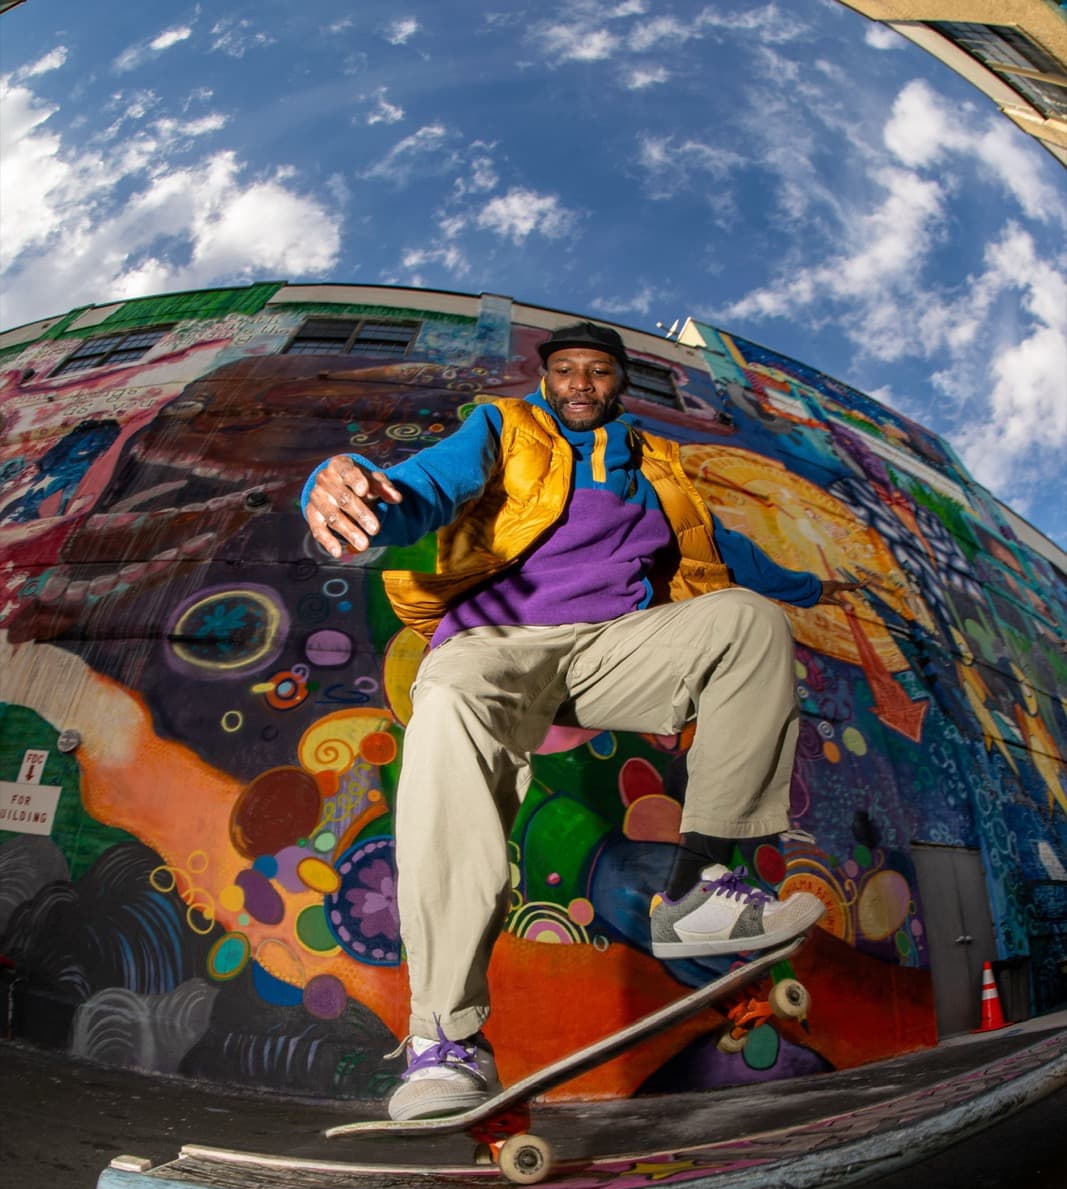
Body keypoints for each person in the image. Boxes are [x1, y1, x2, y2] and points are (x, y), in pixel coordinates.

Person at [302, 321, 856, 1120]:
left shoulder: (659, 468)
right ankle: (444, 1040)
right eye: (566, 372)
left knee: (747, 621)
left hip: (612, 652)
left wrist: (813, 592)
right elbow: (431, 486)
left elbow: (732, 556)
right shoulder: (502, 427)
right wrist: (352, 490)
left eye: (598, 373)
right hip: (496, 647)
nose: (581, 385)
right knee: (448, 706)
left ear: (618, 384)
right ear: (548, 379)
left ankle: (697, 890)